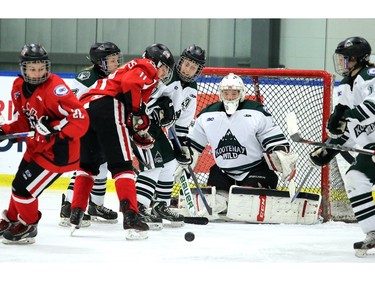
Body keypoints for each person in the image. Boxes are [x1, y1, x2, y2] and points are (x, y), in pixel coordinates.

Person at [69, 43, 175, 240]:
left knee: (88, 166)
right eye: (164, 67)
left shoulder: (128, 69)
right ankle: (131, 217)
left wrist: (137, 132)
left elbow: (129, 102)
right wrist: (138, 113)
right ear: (157, 62)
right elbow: (130, 86)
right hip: (107, 106)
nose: (163, 73)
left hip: (87, 109)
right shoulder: (146, 66)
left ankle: (76, 212)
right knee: (122, 166)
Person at [0, 43, 89, 244]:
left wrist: (55, 127)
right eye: (32, 68)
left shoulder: (55, 88)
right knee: (18, 184)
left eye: (41, 68)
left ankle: (29, 225)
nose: (38, 73)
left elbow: (80, 119)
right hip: (36, 148)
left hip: (58, 153)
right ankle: (13, 219)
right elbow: (25, 122)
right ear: (23, 68)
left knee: (23, 189)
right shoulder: (17, 87)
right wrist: (5, 130)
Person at [181, 73, 297, 215]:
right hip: (223, 172)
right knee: (215, 203)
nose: (229, 97)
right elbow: (193, 144)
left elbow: (271, 135)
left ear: (241, 93)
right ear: (220, 94)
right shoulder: (207, 115)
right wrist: (184, 158)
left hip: (256, 171)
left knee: (247, 203)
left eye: (234, 93)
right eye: (226, 93)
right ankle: (225, 199)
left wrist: (280, 152)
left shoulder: (256, 111)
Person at [309, 36, 375, 257]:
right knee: (356, 179)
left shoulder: (370, 76)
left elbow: (372, 108)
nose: (341, 63)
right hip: (370, 146)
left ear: (360, 59)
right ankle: (373, 231)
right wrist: (330, 148)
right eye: (340, 59)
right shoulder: (344, 87)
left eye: (346, 59)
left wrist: (345, 115)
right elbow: (349, 130)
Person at [134, 44, 206, 229]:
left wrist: (181, 147)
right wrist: (158, 109)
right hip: (138, 124)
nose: (188, 70)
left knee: (169, 162)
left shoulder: (191, 89)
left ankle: (161, 206)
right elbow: (141, 100)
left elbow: (181, 123)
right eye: (186, 64)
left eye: (193, 67)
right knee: (153, 165)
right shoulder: (165, 75)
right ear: (180, 62)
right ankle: (138, 207)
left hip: (155, 128)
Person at [59, 42, 122, 227]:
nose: (116, 63)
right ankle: (69, 205)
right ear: (100, 62)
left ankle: (96, 205)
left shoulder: (115, 76)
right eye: (112, 60)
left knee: (100, 166)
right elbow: (72, 103)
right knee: (85, 166)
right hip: (85, 128)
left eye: (117, 59)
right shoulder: (86, 77)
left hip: (101, 127)